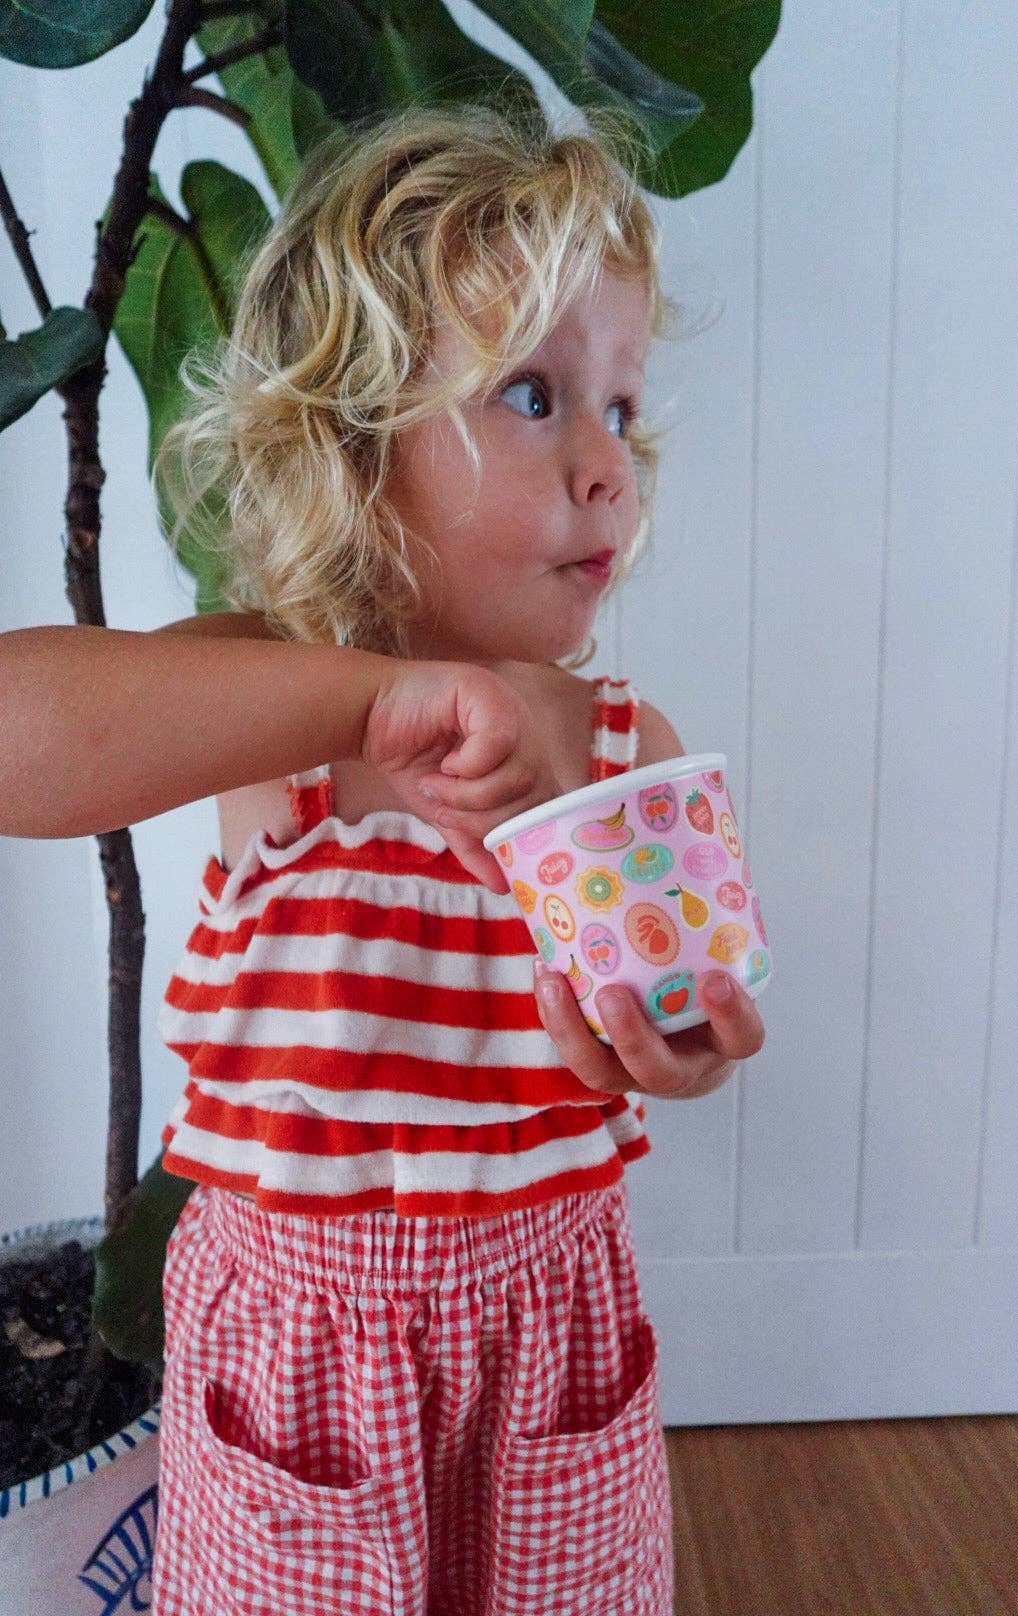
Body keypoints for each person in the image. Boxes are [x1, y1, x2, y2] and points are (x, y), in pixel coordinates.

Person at [0, 99, 765, 1615]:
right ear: (346, 438)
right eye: (533, 396)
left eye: (621, 407)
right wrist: (373, 697)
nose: (608, 464)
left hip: (552, 1337)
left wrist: (682, 1049)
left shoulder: (628, 745)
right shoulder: (274, 710)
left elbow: (684, 1021)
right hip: (297, 1362)